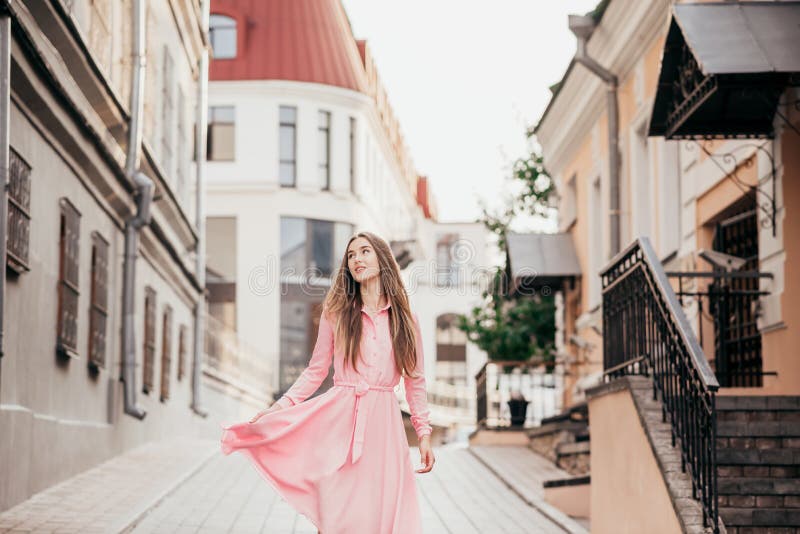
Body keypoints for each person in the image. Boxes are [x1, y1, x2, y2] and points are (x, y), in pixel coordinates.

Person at [220, 231, 435, 534]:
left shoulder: (405, 319)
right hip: (339, 422)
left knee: (377, 514)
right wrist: (279, 407)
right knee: (336, 513)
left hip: (384, 429)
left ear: (383, 259)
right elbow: (315, 370)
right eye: (351, 255)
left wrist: (423, 432)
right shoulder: (337, 313)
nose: (357, 259)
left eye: (364, 252)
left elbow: (415, 379)